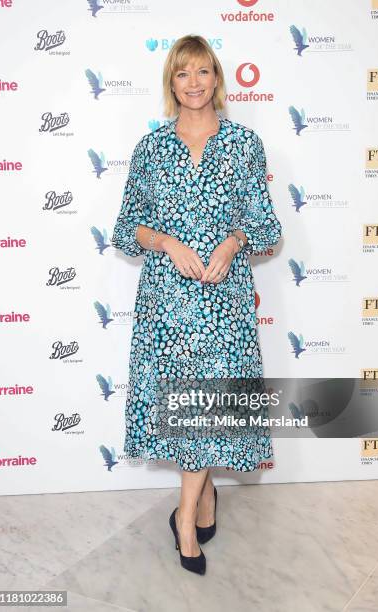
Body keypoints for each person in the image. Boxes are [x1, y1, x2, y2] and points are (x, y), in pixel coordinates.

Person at [111, 34, 282, 575]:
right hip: (167, 302)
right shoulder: (153, 148)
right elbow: (124, 229)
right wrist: (166, 241)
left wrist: (233, 244)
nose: (194, 83)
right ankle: (197, 510)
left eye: (203, 71)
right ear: (171, 82)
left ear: (217, 79)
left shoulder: (244, 144)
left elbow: (265, 226)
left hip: (223, 301)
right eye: (182, 73)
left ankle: (185, 515)